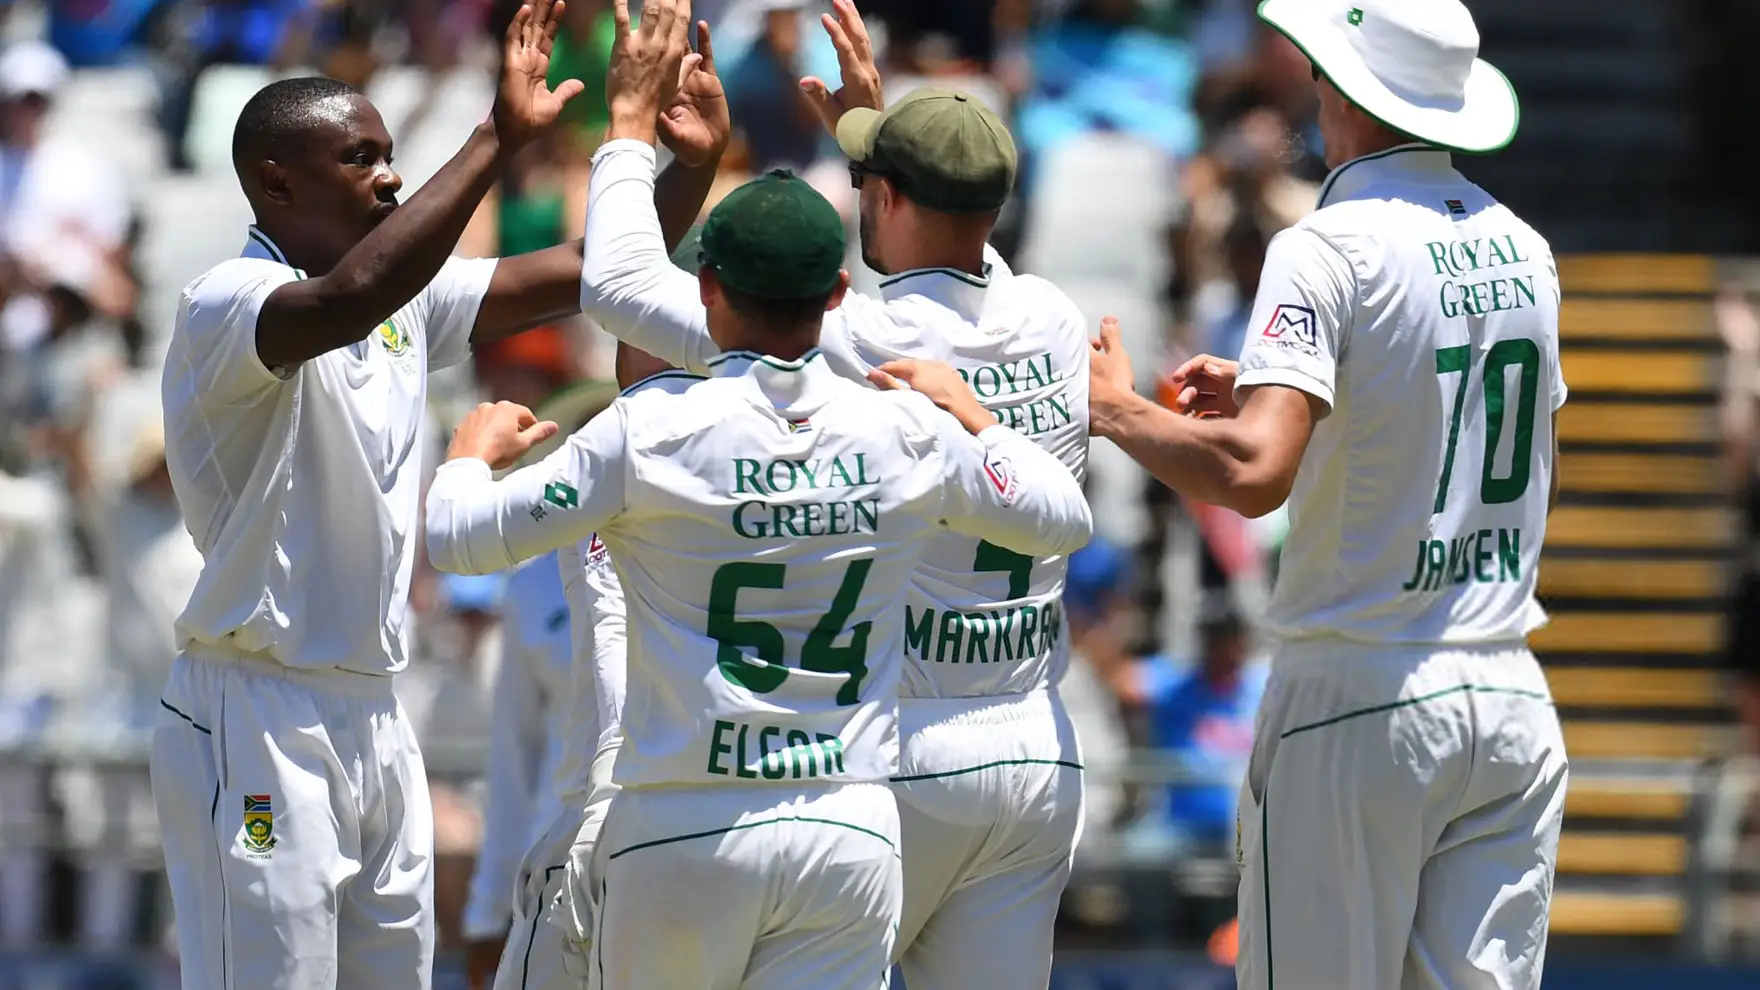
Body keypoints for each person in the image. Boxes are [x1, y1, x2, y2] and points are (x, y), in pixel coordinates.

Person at [425, 97, 1092, 990]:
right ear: (836, 291)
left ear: (707, 289)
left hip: (684, 822)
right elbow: (1062, 514)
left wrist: (468, 460)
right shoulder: (912, 422)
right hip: (848, 821)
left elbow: (458, 540)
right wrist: (978, 417)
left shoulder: (652, 429)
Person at [150, 2, 722, 987]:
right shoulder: (227, 304)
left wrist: (691, 168)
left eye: (387, 155)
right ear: (275, 181)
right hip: (257, 713)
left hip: (376, 712)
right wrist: (497, 135)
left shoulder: (400, 299)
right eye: (358, 158)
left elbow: (589, 272)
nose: (388, 175)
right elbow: (347, 299)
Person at [581, 2, 1097, 986]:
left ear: (884, 194)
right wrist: (873, 142)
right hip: (1035, 747)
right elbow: (945, 253)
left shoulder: (856, 339)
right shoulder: (1054, 316)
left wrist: (629, 125)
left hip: (900, 747)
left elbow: (615, 285)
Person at [1085, 1, 1569, 987]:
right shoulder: (1525, 244)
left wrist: (1115, 410)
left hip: (1358, 696)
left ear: (1343, 88)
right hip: (1507, 694)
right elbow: (1444, 400)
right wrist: (1293, 387)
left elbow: (1252, 473)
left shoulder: (1325, 245)